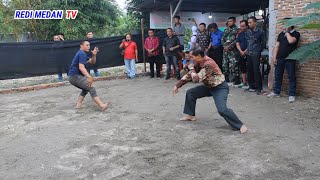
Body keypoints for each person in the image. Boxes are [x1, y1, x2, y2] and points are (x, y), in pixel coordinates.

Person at [172, 46, 247, 134]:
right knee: (191, 93)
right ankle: (191, 115)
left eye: (192, 56)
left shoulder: (209, 64)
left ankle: (240, 125)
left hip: (220, 88)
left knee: (222, 109)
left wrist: (191, 69)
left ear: (199, 55)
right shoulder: (198, 62)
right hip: (209, 86)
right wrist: (177, 85)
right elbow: (189, 75)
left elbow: (196, 79)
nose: (191, 58)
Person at [68, 40, 109, 111]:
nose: (89, 47)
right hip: (75, 76)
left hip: (73, 77)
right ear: (81, 46)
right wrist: (89, 77)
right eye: (87, 45)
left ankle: (78, 105)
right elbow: (81, 67)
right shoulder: (81, 54)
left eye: (89, 45)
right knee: (91, 87)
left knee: (86, 88)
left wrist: (94, 55)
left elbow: (92, 62)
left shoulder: (82, 54)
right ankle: (102, 105)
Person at [267, 26, 300, 103]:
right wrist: (274, 57)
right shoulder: (281, 34)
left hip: (290, 58)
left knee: (291, 76)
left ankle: (291, 95)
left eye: (286, 24)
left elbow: (291, 41)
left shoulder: (296, 34)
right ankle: (276, 92)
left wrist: (287, 32)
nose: (284, 26)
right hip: (280, 58)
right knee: (278, 75)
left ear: (291, 25)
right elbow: (277, 46)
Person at [245, 16, 265, 95]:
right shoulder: (247, 32)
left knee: (256, 71)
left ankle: (259, 88)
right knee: (249, 70)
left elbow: (263, 44)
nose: (249, 24)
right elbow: (248, 42)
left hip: (256, 54)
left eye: (250, 22)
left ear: (255, 23)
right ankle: (251, 86)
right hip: (249, 53)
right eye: (248, 23)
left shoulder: (260, 32)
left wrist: (260, 53)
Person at [222, 17, 240, 85]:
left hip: (233, 51)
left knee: (234, 65)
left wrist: (229, 46)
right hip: (225, 51)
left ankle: (237, 78)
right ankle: (226, 78)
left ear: (234, 21)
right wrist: (224, 45)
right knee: (224, 65)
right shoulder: (226, 30)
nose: (229, 22)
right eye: (228, 21)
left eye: (231, 21)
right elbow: (222, 39)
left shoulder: (237, 30)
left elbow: (237, 40)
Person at [236, 20, 249, 88]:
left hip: (249, 53)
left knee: (249, 68)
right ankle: (244, 82)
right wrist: (241, 51)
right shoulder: (240, 34)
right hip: (241, 52)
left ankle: (250, 82)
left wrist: (246, 51)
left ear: (247, 26)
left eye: (243, 26)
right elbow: (237, 43)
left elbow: (251, 43)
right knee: (242, 67)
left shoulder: (250, 33)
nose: (242, 27)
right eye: (241, 26)